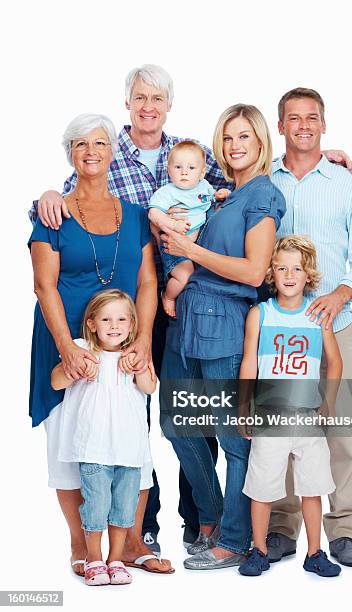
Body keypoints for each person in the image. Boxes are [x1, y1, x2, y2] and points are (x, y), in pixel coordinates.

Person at [28, 64, 229, 550]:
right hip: (114, 316)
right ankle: (140, 529)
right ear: (128, 103)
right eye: (140, 97)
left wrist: (310, 154)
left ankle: (202, 519)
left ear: (168, 105)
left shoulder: (194, 154)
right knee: (124, 416)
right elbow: (64, 207)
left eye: (157, 98)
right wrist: (47, 193)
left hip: (183, 303)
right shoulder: (106, 151)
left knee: (185, 413)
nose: (148, 106)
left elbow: (243, 185)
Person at [28, 113, 173, 575]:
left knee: (129, 440)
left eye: (100, 143)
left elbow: (148, 282)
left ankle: (128, 543)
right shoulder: (53, 213)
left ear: (113, 151)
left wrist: (145, 338)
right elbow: (44, 286)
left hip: (123, 340)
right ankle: (80, 544)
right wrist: (67, 348)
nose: (91, 151)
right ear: (70, 155)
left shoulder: (133, 215)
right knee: (69, 442)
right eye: (80, 144)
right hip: (64, 337)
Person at [159, 103, 286, 570]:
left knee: (233, 438)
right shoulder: (220, 194)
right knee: (177, 426)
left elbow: (255, 271)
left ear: (260, 143)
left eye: (244, 138)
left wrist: (190, 249)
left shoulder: (262, 196)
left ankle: (234, 540)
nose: (234, 146)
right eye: (228, 138)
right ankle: (211, 517)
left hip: (225, 326)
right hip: (184, 323)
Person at [265, 88, 352, 567]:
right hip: (278, 328)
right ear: (281, 126)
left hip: (335, 324)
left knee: (337, 427)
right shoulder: (263, 179)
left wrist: (339, 295)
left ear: (324, 124)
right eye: (294, 118)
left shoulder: (348, 183)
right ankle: (282, 525)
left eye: (312, 118)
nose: (304, 126)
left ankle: (346, 527)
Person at [238, 236, 342, 578]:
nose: (289, 274)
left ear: (308, 273)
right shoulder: (261, 314)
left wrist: (327, 402)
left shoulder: (317, 316)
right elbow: (250, 362)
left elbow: (335, 362)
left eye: (297, 268)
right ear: (271, 271)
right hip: (269, 417)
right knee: (263, 487)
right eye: (281, 267)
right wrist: (244, 406)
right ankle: (258, 550)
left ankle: (315, 552)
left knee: (312, 488)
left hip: (307, 419)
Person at [51, 289, 164, 585]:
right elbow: (55, 381)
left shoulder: (134, 355)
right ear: (92, 324)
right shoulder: (82, 349)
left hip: (129, 449)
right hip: (94, 447)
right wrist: (75, 369)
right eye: (106, 319)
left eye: (122, 320)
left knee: (124, 507)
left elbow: (151, 388)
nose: (114, 326)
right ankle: (94, 559)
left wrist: (140, 368)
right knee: (97, 504)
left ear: (132, 325)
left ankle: (116, 559)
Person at [148, 140, 231, 317]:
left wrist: (220, 194)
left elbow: (212, 199)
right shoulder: (167, 192)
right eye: (178, 167)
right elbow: (153, 213)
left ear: (202, 172)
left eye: (191, 168)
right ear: (169, 170)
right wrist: (172, 224)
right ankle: (168, 297)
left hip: (197, 244)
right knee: (184, 276)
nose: (184, 172)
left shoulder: (204, 187)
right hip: (174, 246)